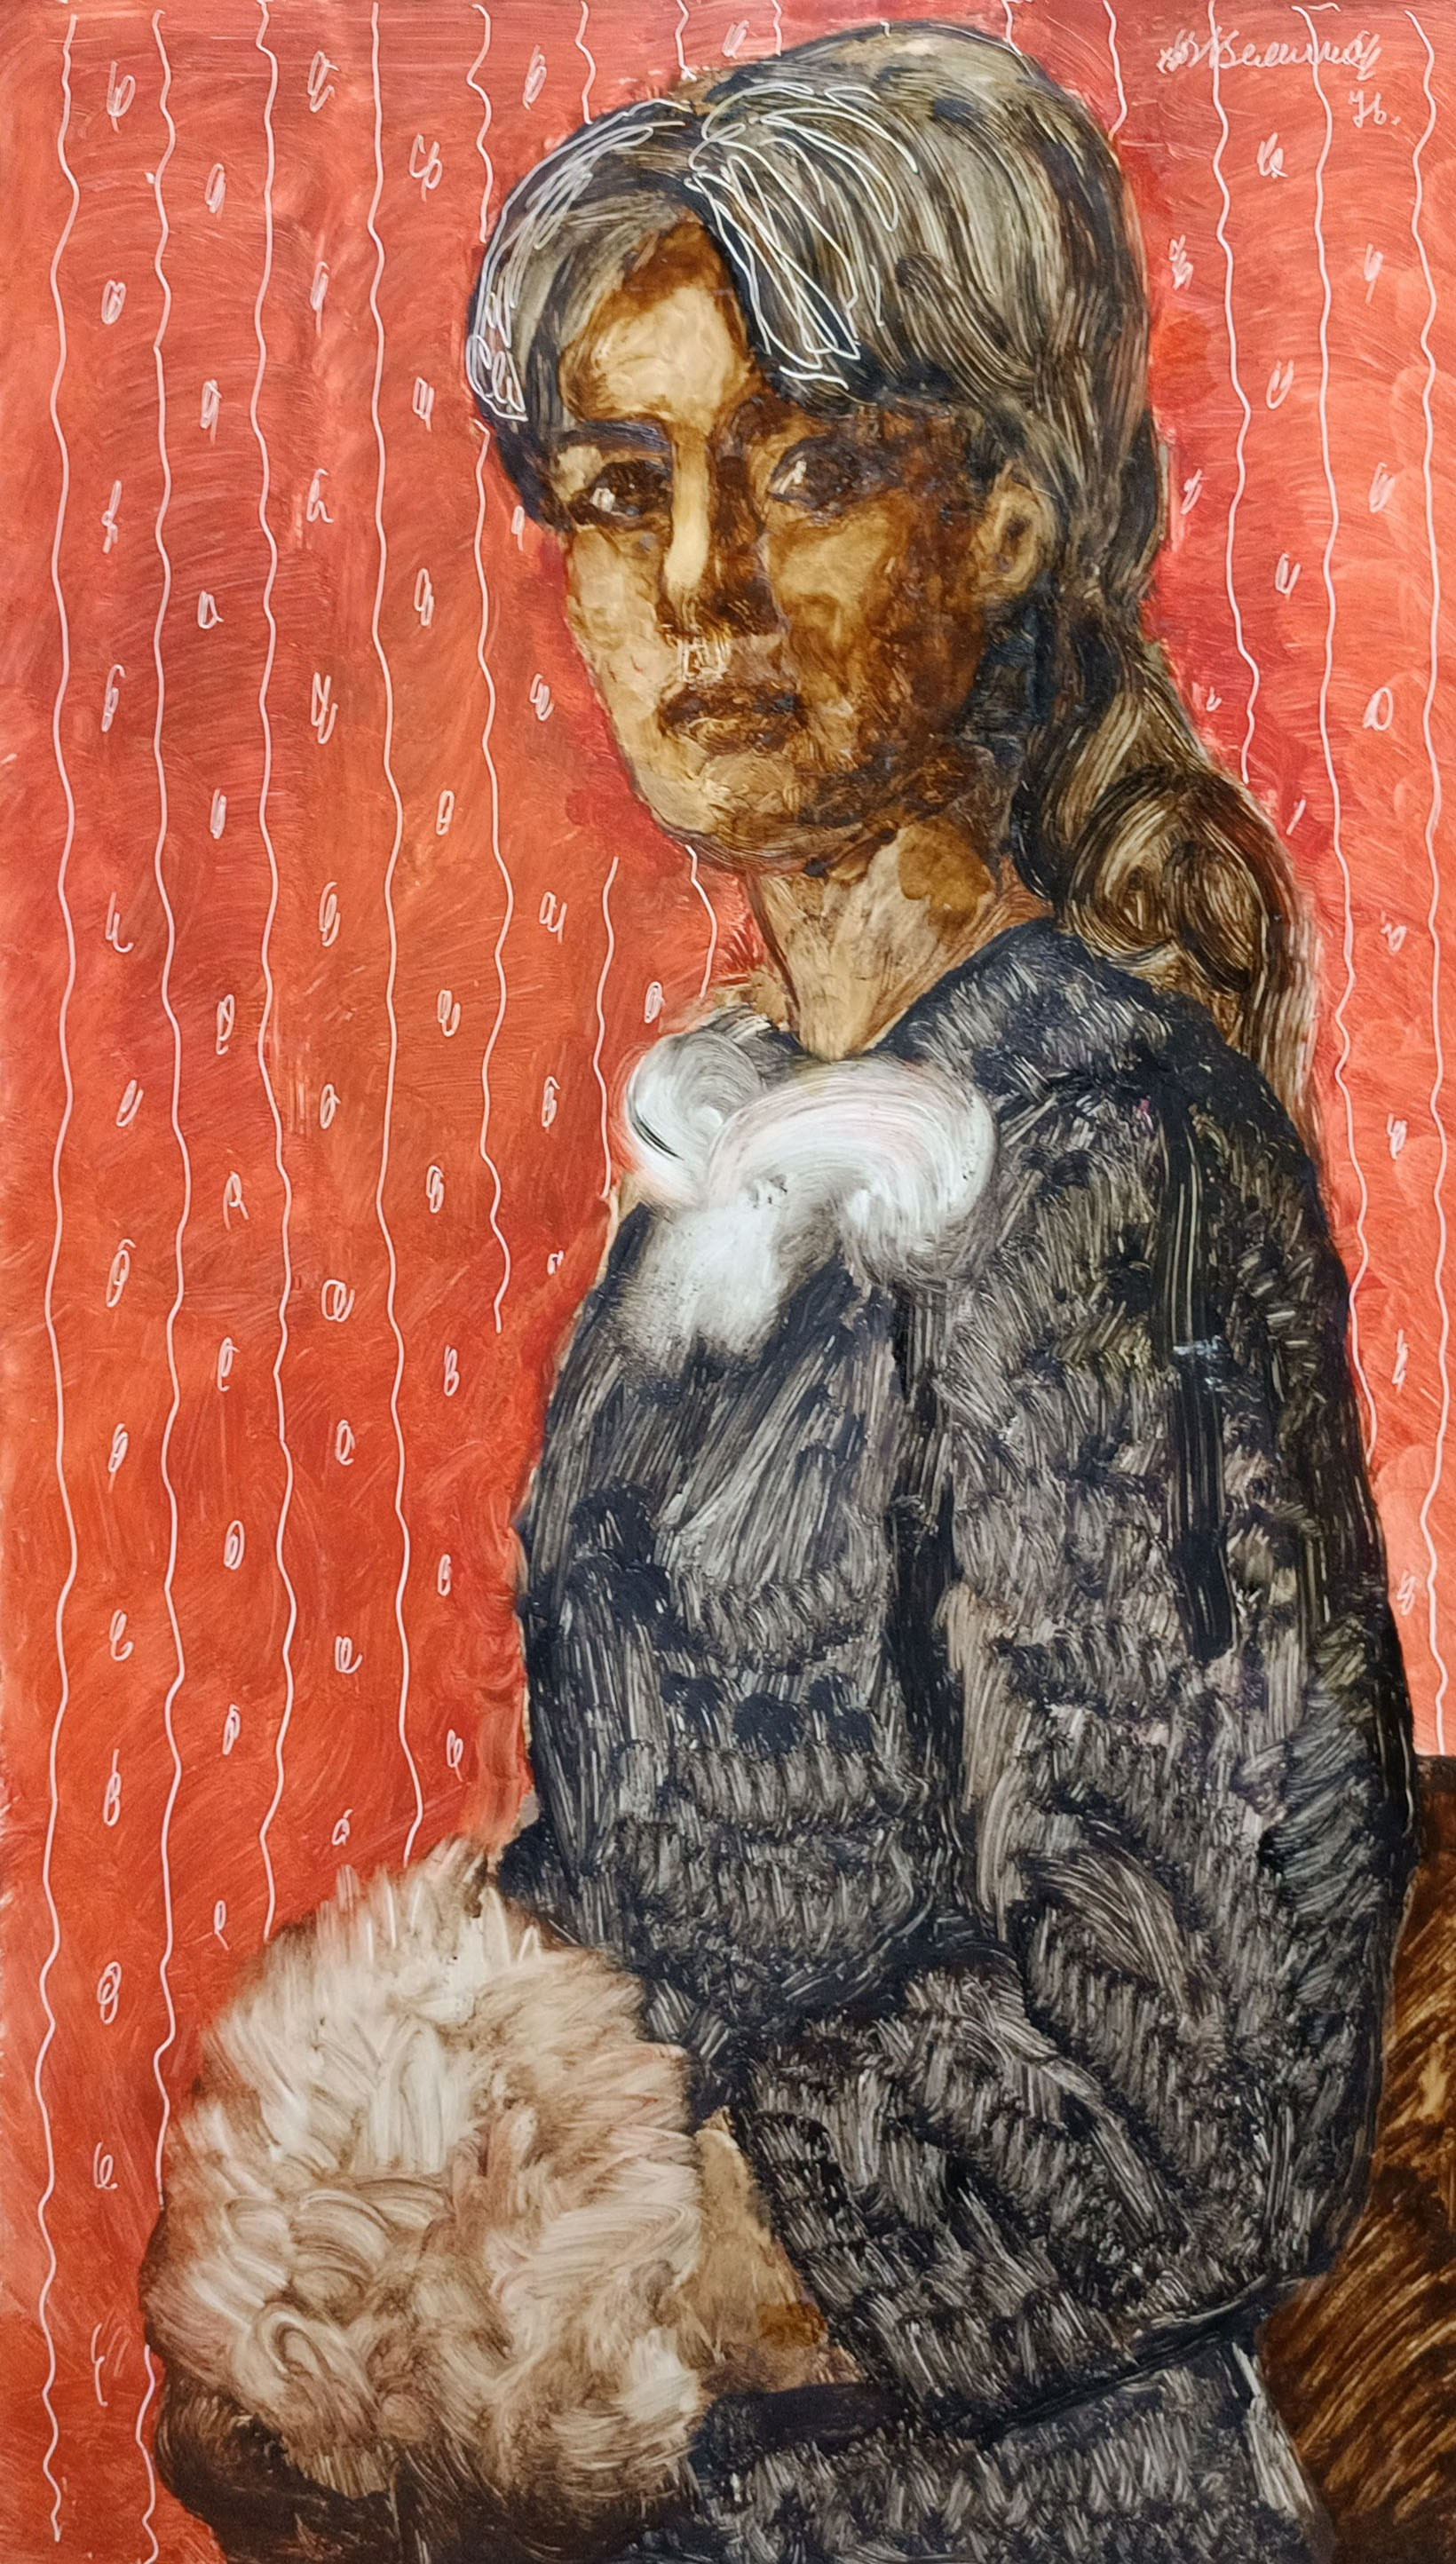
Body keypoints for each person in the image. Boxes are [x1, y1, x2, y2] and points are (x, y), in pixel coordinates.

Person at [145, 24, 1419, 2564]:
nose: (703, 581)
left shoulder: (1108, 1158)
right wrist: (364, 2212)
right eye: (625, 491)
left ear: (1016, 511)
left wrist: (566, 2289)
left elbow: (1202, 2076)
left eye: (809, 465)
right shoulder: (721, 1166)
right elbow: (672, 1878)